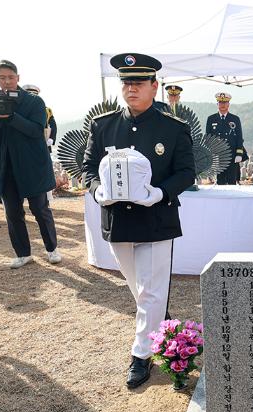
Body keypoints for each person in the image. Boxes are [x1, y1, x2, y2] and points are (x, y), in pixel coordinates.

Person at [83, 52, 196, 388]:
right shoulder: (103, 126)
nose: (131, 88)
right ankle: (163, 324)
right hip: (119, 221)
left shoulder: (173, 128)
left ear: (154, 86)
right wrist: (97, 190)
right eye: (126, 82)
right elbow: (88, 168)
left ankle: (140, 356)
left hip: (157, 220)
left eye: (138, 82)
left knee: (148, 292)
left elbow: (186, 172)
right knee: (142, 290)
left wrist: (159, 193)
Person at [0, 60, 61, 269]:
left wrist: (11, 117)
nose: (6, 82)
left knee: (40, 208)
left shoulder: (34, 102)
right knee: (12, 212)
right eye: (2, 78)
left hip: (31, 164)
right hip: (5, 165)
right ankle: (23, 253)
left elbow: (36, 131)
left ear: (18, 78)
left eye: (10, 77)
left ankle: (52, 249)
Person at [206, 92, 244, 185]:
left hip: (232, 155)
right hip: (218, 155)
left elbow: (239, 137)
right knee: (220, 182)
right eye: (220, 103)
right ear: (217, 104)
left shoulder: (235, 119)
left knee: (232, 181)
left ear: (228, 104)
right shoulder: (211, 119)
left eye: (225, 103)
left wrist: (239, 154)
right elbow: (208, 138)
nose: (222, 105)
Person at [22, 84, 57, 153]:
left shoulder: (47, 110)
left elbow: (53, 125)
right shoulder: (20, 109)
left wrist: (51, 139)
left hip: (44, 143)